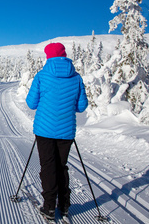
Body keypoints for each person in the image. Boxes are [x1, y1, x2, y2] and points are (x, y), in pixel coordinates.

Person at [25, 42, 88, 220]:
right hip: (66, 130)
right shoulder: (76, 77)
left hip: (44, 130)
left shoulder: (41, 76)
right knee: (61, 167)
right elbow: (82, 106)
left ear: (48, 57)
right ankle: (65, 206)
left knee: (48, 167)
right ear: (64, 55)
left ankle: (49, 207)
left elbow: (31, 104)